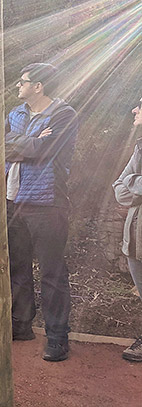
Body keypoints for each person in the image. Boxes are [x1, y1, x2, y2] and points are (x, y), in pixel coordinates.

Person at [5, 63, 79, 362]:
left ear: (39, 86)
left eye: (22, 82)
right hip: (14, 200)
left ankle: (58, 338)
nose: (17, 87)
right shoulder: (16, 113)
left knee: (52, 273)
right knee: (18, 267)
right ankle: (22, 325)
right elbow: (3, 145)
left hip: (48, 203)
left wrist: (26, 145)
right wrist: (32, 142)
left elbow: (47, 151)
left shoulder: (64, 114)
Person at [112, 96, 142, 362]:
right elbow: (119, 189)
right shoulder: (140, 147)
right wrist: (136, 183)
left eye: (140, 105)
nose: (134, 109)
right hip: (135, 240)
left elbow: (127, 185)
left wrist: (133, 183)